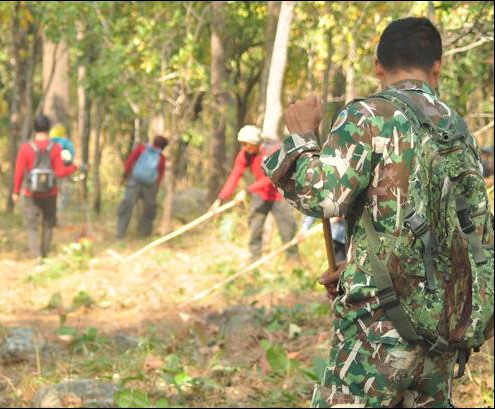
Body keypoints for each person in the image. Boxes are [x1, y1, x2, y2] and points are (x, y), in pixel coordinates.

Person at [262, 17, 494, 407]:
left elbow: (324, 196)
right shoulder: (456, 129)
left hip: (377, 327)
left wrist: (301, 138)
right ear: (438, 66)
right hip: (441, 325)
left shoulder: (369, 116)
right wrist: (355, 265)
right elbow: (471, 232)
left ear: (377, 66)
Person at [209, 125, 297, 262]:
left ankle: (292, 261)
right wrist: (220, 199)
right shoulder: (244, 155)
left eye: (247, 144)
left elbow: (271, 178)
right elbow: (235, 175)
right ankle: (254, 257)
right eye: (242, 144)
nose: (244, 148)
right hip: (260, 195)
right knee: (255, 226)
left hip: (280, 196)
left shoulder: (273, 151)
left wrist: (246, 190)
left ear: (256, 142)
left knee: (288, 229)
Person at [12, 115, 78, 259]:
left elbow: (19, 172)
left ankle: (37, 256)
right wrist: (74, 167)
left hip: (30, 194)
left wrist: (16, 192)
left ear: (34, 129)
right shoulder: (55, 148)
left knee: (31, 225)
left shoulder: (26, 148)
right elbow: (60, 172)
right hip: (50, 193)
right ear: (48, 129)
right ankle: (45, 254)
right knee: (48, 224)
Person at [116, 135, 168, 239]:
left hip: (134, 182)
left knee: (127, 205)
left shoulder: (142, 148)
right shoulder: (161, 158)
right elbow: (160, 173)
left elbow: (130, 161)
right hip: (150, 186)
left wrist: (125, 175)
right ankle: (145, 233)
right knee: (149, 208)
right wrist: (156, 186)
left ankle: (120, 232)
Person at [49, 123, 76, 213]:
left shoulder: (49, 143)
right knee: (63, 193)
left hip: (51, 173)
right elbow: (72, 157)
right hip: (65, 172)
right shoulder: (67, 143)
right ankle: (59, 212)